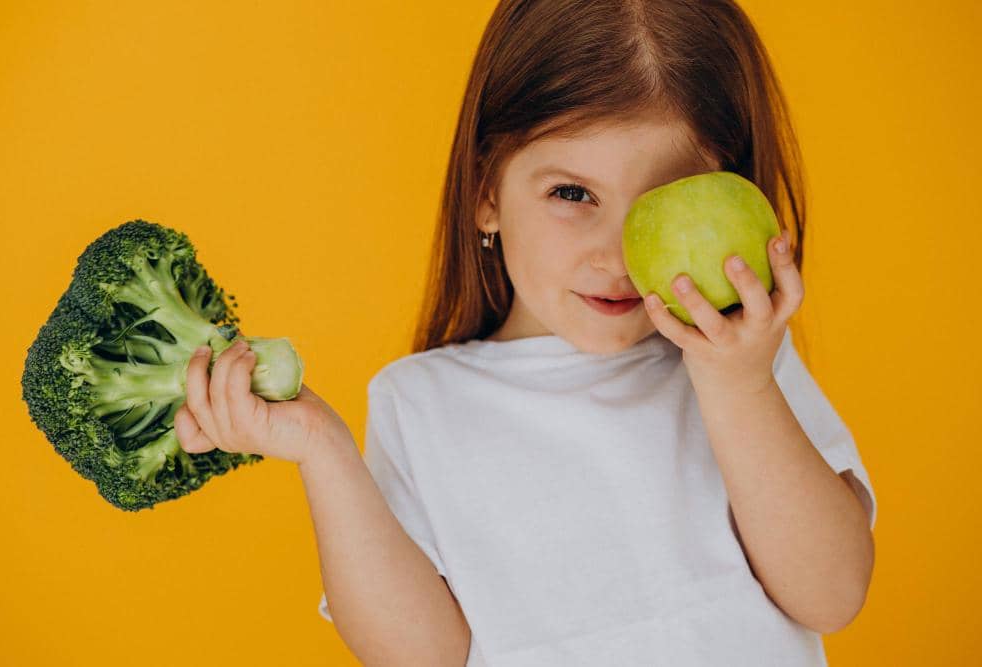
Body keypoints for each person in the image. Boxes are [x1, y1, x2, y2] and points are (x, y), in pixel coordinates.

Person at [174, 0, 877, 664]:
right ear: (486, 193)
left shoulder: (739, 357)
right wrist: (324, 451)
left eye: (662, 202)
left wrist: (740, 382)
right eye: (573, 194)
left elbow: (832, 593)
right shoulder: (424, 403)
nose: (618, 253)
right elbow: (421, 655)